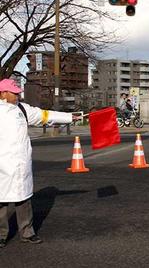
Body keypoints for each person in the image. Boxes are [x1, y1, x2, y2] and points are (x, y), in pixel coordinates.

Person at [0, 79, 79, 248]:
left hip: (21, 163)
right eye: (14, 92)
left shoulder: (22, 109)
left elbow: (45, 115)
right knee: (1, 202)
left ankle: (27, 233)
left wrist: (69, 117)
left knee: (24, 199)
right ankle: (1, 235)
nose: (17, 95)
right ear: (3, 93)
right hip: (2, 164)